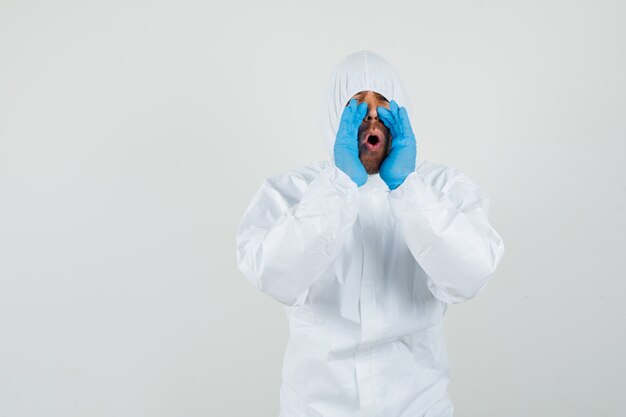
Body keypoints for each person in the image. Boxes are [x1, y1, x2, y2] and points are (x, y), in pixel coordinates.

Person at [235, 50, 505, 417]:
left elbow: (470, 274)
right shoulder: (294, 190)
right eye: (357, 106)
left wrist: (409, 189)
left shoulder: (440, 188)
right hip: (317, 407)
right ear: (336, 115)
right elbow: (274, 274)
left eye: (383, 103)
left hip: (418, 404)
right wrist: (338, 187)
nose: (372, 117)